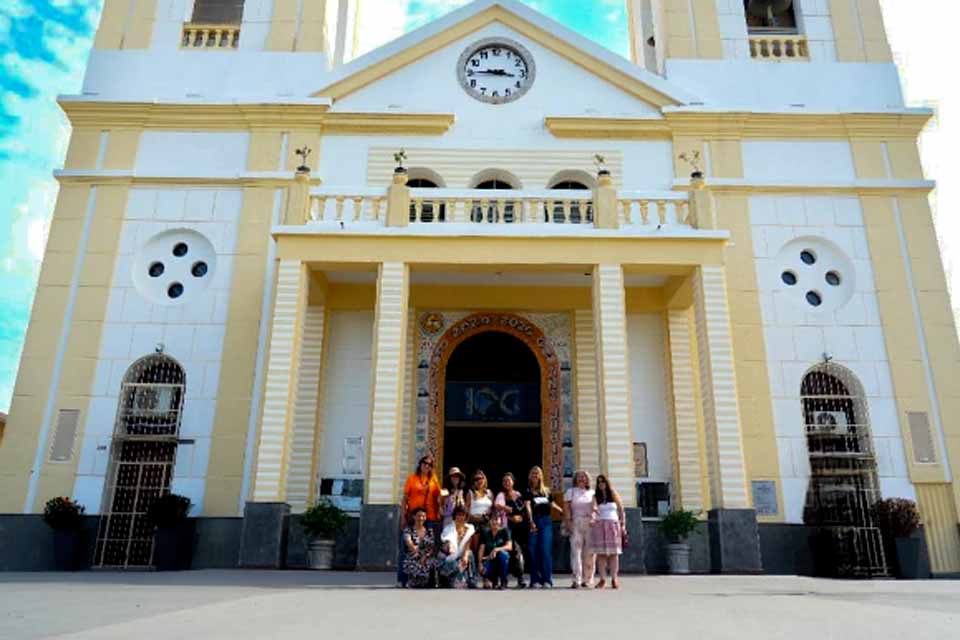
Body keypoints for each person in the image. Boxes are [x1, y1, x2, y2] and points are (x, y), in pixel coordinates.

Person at [398, 455, 441, 587]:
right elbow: (405, 498)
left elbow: (439, 497)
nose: (427, 466)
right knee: (406, 547)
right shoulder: (412, 479)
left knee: (429, 549)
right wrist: (403, 516)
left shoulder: (433, 480)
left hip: (430, 518)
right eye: (424, 463)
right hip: (413, 518)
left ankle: (428, 579)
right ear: (420, 464)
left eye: (430, 464)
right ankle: (403, 579)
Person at [524, 465, 561, 589]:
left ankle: (547, 579)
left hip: (546, 522)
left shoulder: (546, 491)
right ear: (530, 476)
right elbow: (528, 506)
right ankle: (535, 579)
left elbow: (552, 503)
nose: (535, 475)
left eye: (537, 473)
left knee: (545, 550)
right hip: (534, 520)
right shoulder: (528, 491)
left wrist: (562, 511)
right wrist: (530, 521)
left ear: (541, 476)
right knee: (533, 551)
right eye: (533, 473)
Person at [590, 474, 626, 589]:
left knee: (614, 554)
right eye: (599, 482)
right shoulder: (596, 496)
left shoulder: (613, 493)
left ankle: (614, 578)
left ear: (607, 483)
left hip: (613, 524)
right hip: (600, 525)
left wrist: (623, 524)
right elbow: (593, 507)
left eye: (603, 482)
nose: (601, 484)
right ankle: (602, 579)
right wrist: (594, 511)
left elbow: (621, 509)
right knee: (601, 554)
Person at [494, 472, 527, 588]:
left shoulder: (518, 494)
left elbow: (523, 509)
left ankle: (520, 578)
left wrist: (521, 517)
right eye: (504, 481)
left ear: (513, 482)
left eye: (509, 480)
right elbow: (497, 506)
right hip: (506, 528)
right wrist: (507, 512)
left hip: (518, 528)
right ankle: (503, 578)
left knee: (518, 553)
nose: (507, 483)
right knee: (507, 552)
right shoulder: (501, 495)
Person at [563, 469, 596, 589]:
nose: (582, 479)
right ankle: (576, 579)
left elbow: (596, 508)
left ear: (588, 479)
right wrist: (568, 522)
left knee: (590, 552)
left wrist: (594, 518)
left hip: (591, 523)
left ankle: (588, 579)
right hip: (576, 521)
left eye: (584, 477)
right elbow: (566, 508)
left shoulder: (592, 492)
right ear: (575, 479)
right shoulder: (571, 492)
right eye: (579, 477)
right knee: (575, 552)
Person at [439, 505, 477, 589]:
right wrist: (450, 546)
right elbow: (447, 540)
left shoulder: (470, 528)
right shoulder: (448, 528)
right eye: (458, 514)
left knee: (470, 554)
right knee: (452, 563)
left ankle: (472, 579)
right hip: (448, 557)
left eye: (462, 515)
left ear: (466, 516)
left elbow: (468, 544)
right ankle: (447, 578)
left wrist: (465, 556)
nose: (460, 517)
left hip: (460, 557)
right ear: (454, 516)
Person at [402, 507, 438, 588]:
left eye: (423, 516)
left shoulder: (429, 531)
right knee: (413, 562)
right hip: (414, 554)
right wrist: (419, 554)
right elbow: (409, 542)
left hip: (427, 556)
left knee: (432, 562)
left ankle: (427, 581)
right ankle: (414, 581)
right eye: (419, 516)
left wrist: (425, 556)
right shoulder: (408, 529)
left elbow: (432, 547)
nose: (421, 518)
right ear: (414, 517)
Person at [478, 510, 513, 590]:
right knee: (484, 571)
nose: (495, 522)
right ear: (490, 521)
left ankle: (503, 581)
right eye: (493, 519)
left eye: (497, 519)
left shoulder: (505, 531)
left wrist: (496, 549)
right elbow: (481, 549)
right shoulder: (485, 532)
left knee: (503, 555)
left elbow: (509, 546)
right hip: (490, 559)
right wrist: (480, 563)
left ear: (500, 521)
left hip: (502, 560)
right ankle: (493, 580)